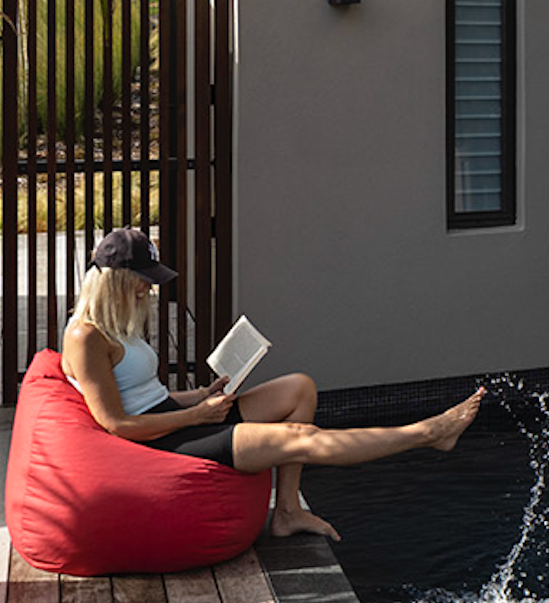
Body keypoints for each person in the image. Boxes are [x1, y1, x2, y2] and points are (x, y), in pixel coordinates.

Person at [59, 227, 481, 540]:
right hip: (161, 441)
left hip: (175, 416)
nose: (148, 288)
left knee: (299, 387)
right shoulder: (86, 337)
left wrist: (201, 396)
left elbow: (144, 396)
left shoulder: (117, 326)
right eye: (143, 279)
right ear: (116, 279)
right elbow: (117, 423)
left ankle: (288, 511)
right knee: (300, 438)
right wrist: (194, 416)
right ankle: (429, 433)